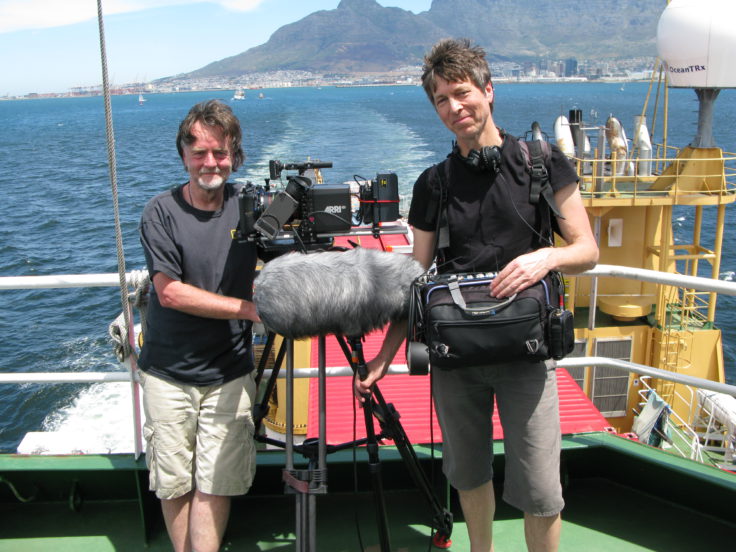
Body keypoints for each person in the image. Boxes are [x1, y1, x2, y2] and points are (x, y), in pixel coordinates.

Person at [355, 39, 599, 552]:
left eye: (462, 93)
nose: (453, 108)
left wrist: (543, 258)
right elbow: (415, 279)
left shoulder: (541, 162)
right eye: (441, 100)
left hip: (525, 355)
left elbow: (586, 248)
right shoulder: (434, 184)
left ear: (488, 90)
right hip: (456, 358)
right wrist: (384, 354)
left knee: (540, 490)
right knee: (467, 476)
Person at [138, 99, 261, 552]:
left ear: (235, 156)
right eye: (200, 152)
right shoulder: (160, 211)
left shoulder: (250, 208)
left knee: (215, 482)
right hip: (168, 373)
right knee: (174, 484)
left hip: (228, 372)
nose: (211, 162)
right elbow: (168, 292)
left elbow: (293, 258)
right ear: (184, 156)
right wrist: (248, 309)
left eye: (221, 152)